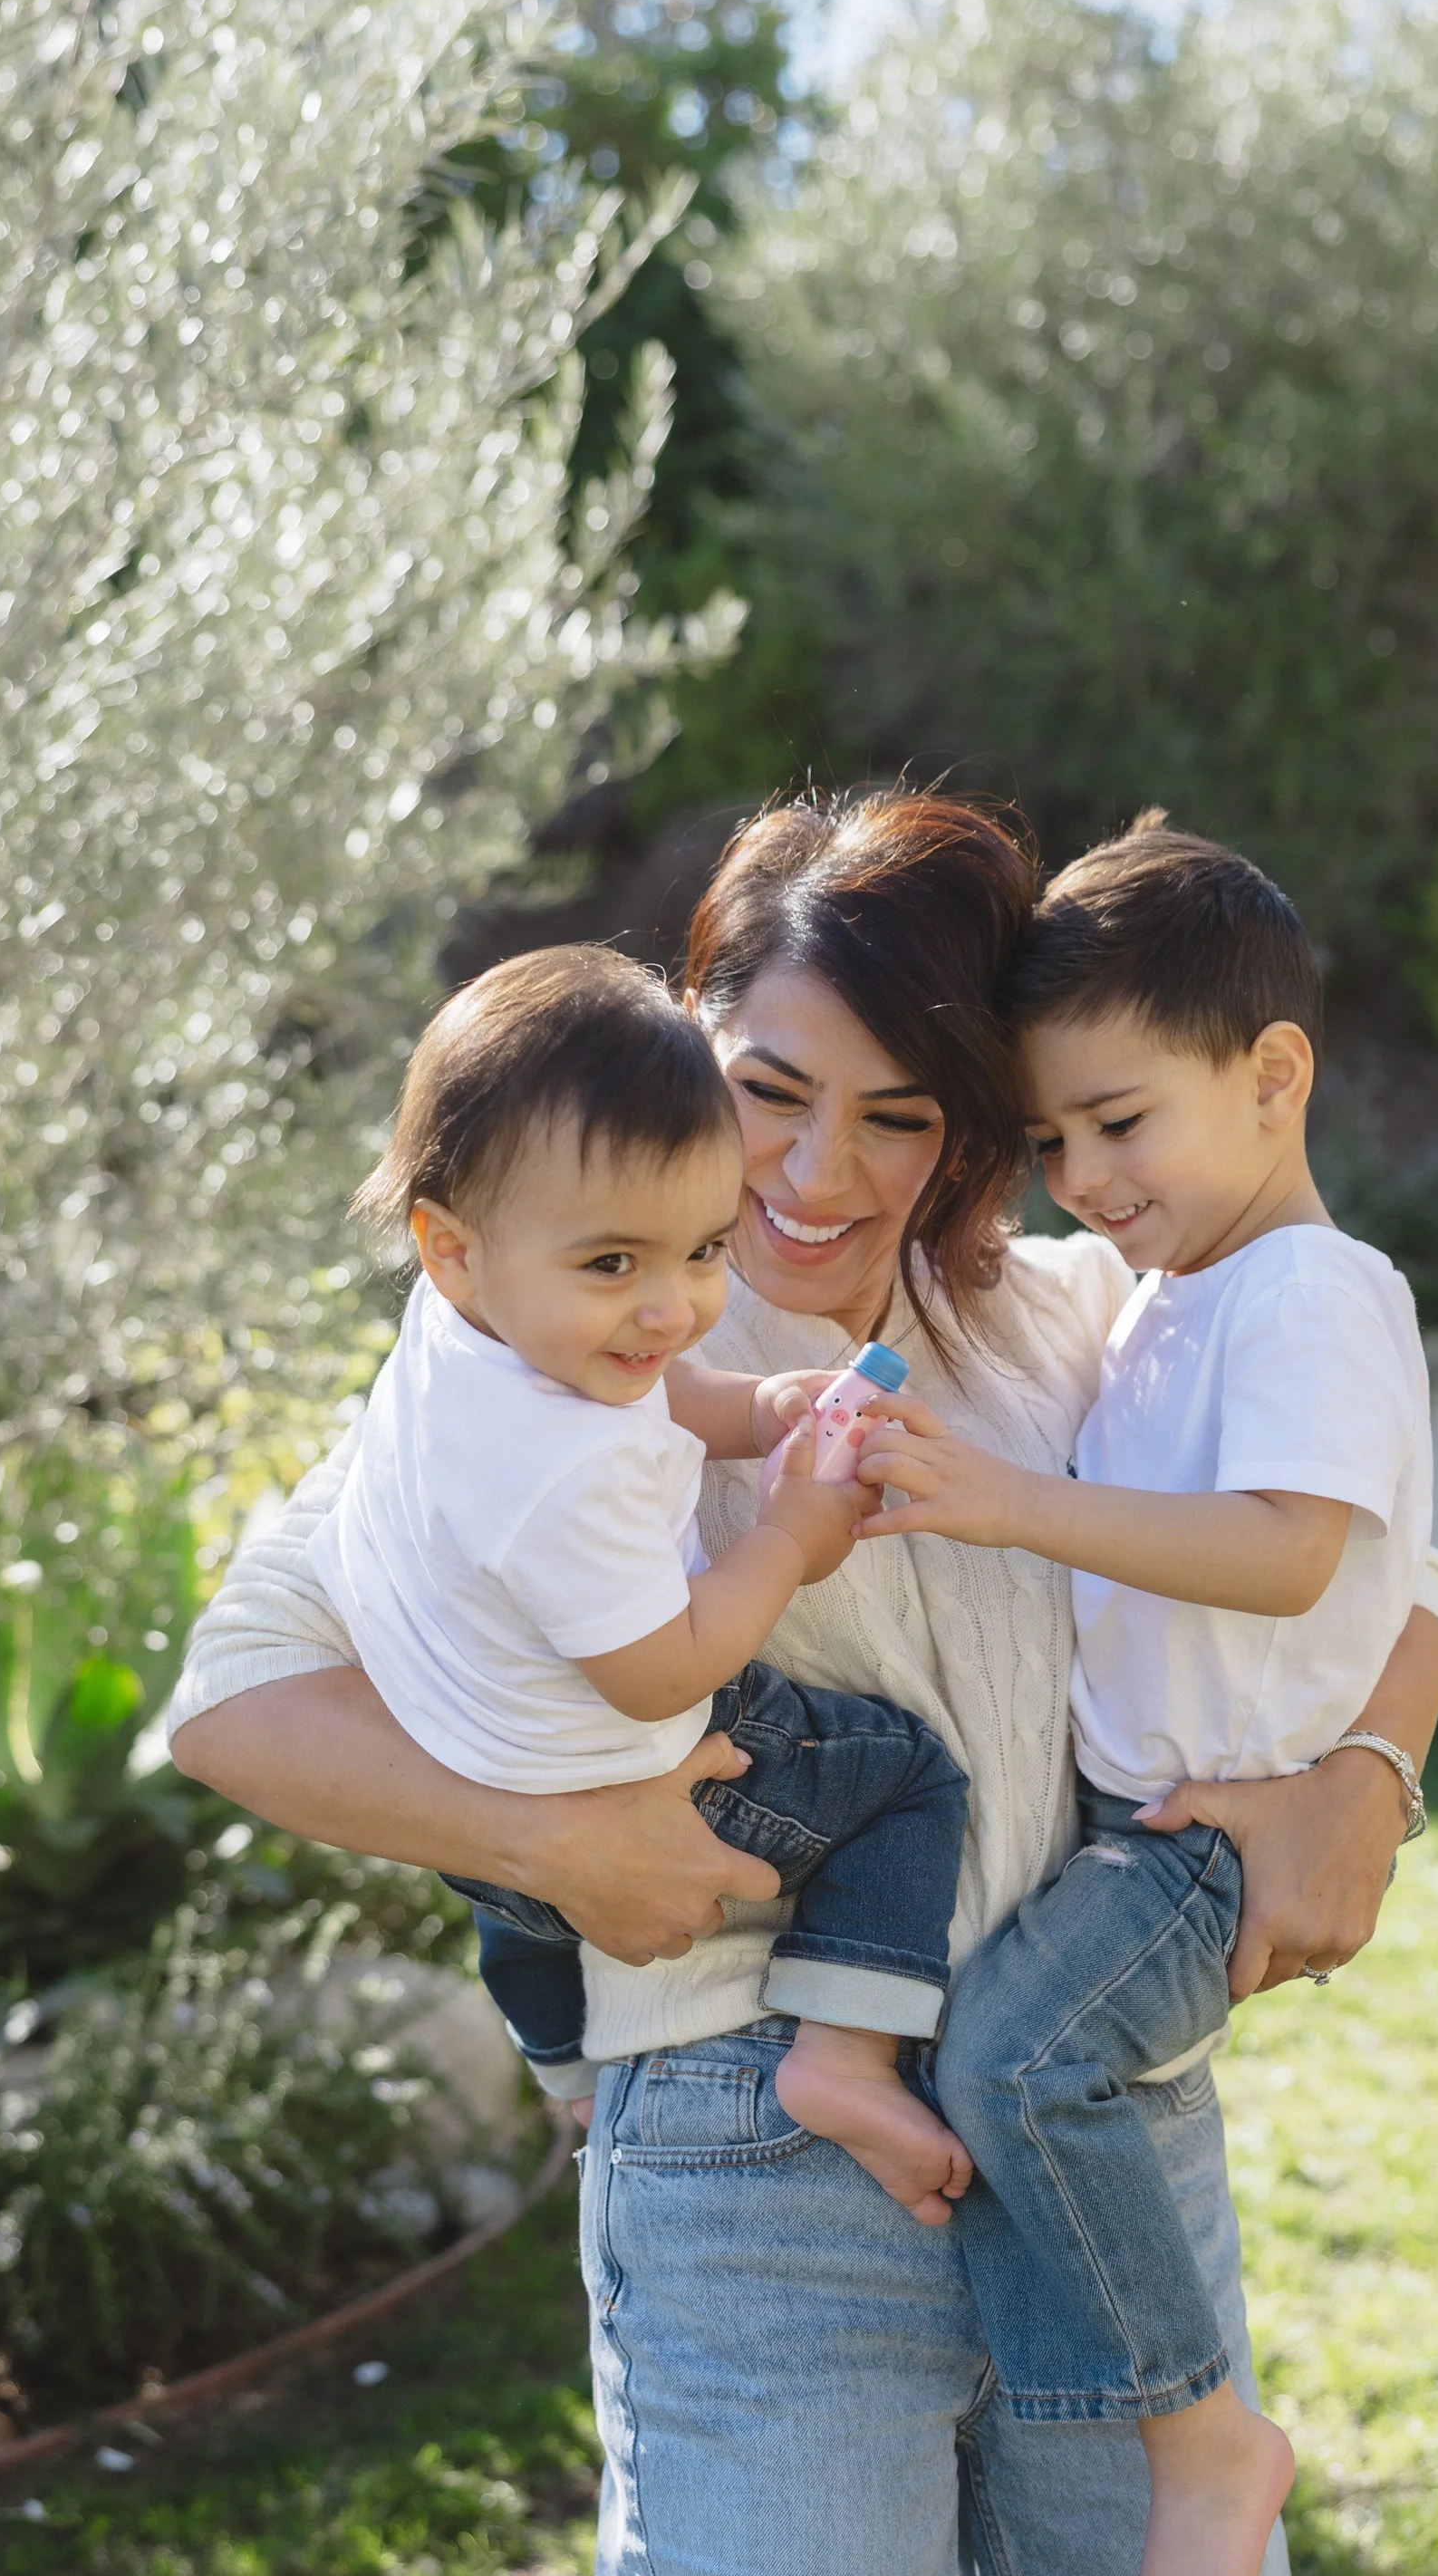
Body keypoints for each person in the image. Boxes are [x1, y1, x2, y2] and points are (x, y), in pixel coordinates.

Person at [170, 789, 1438, 2576]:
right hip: (756, 2172)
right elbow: (234, 1697)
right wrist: (559, 1840)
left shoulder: (1070, 1310)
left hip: (1094, 2141)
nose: (825, 1168)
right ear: (693, 1046)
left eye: (905, 1112)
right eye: (773, 1088)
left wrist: (1366, 1772)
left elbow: (1380, 1552)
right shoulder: (567, 1337)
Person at [851, 817, 1433, 2576]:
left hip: (1200, 1835)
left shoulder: (1311, 1294)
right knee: (1002, 2076)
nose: (1086, 1180)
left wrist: (1015, 1507)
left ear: (1273, 1078)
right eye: (1052, 1144)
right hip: (1140, 1819)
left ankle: (1203, 2443)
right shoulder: (1174, 1292)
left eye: (1123, 1125)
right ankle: (1116, 2423)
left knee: (1015, 2060)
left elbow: (1288, 1549)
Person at [312, 941, 974, 2221]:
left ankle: (561, 2063)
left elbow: (659, 1382)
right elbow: (663, 1666)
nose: (672, 1309)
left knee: (519, 1909)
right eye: (617, 1264)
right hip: (629, 1771)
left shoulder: (480, 1324)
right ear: (450, 1245)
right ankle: (843, 2054)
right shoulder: (565, 1478)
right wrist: (785, 1537)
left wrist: (759, 1402)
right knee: (904, 1777)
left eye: (702, 1250)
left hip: (471, 1766)